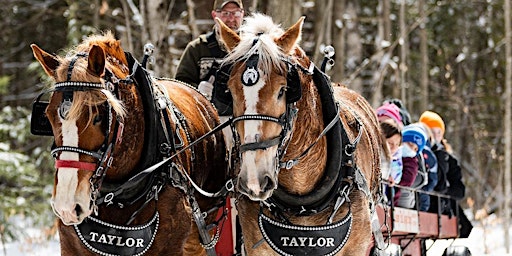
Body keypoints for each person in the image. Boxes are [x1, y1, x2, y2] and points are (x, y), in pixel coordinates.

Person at [419, 110, 472, 237]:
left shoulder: (448, 158)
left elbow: (459, 190)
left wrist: (443, 193)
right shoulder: (415, 153)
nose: (435, 136)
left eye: (439, 132)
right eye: (431, 131)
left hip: (440, 205)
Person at [175, 0, 245, 94]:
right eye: (225, 13)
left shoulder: (252, 48)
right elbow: (179, 85)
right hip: (205, 107)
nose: (231, 19)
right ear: (214, 15)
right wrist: (197, 90)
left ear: (242, 14)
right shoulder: (197, 48)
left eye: (236, 13)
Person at [393, 124, 427, 209]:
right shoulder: (392, 151)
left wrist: (394, 180)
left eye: (415, 149)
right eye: (410, 144)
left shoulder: (412, 162)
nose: (411, 149)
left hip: (401, 202)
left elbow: (408, 179)